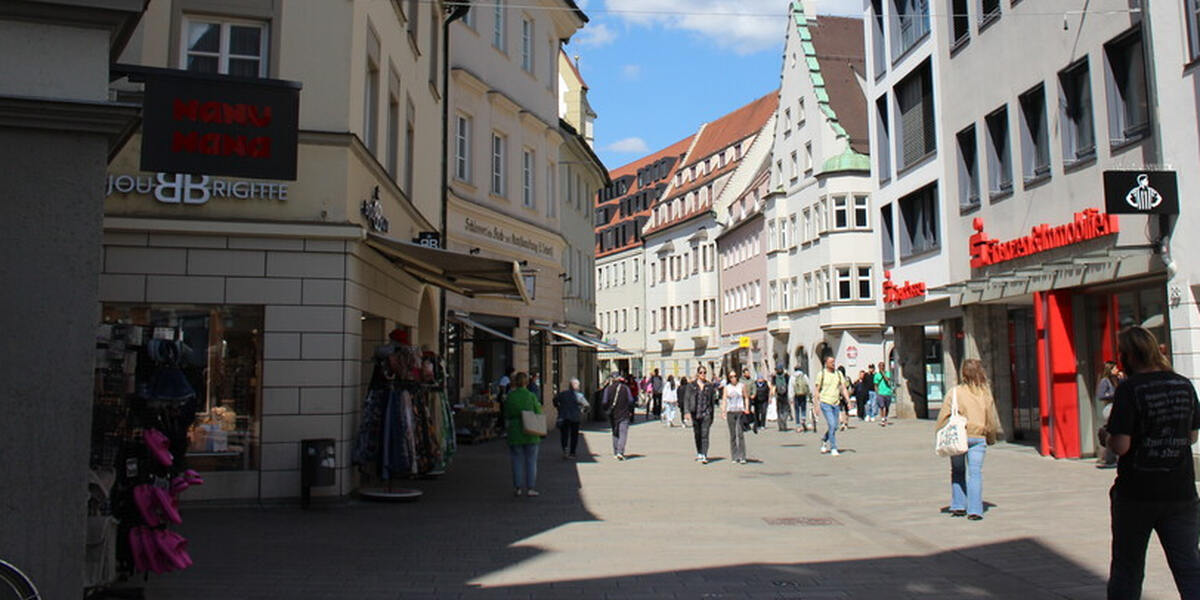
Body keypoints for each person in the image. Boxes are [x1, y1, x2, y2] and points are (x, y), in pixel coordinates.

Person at [1099, 327, 1200, 599]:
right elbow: (1192, 436)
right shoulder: (1183, 385)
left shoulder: (1130, 389)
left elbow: (1121, 445)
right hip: (1180, 491)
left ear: (1129, 355)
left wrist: (1106, 436)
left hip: (1137, 493)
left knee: (1128, 568)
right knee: (1189, 567)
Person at [935, 358, 1002, 520]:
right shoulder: (984, 393)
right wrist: (991, 436)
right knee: (975, 473)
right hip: (978, 437)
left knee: (958, 471)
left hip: (959, 436)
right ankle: (975, 510)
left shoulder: (955, 392)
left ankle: (958, 505)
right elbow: (991, 418)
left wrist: (939, 432)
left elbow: (943, 416)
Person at [504, 372, 544, 497]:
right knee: (531, 461)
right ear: (526, 382)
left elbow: (506, 413)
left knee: (516, 460)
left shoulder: (510, 396)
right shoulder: (531, 396)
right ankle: (531, 488)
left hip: (515, 430)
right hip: (530, 430)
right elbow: (538, 411)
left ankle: (518, 487)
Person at [682, 366, 719, 462]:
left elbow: (712, 401)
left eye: (705, 372)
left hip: (706, 413)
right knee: (697, 434)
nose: (703, 374)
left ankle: (705, 454)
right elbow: (686, 399)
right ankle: (699, 452)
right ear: (698, 374)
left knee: (705, 434)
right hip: (695, 413)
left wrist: (712, 416)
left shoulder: (709, 386)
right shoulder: (691, 386)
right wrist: (686, 412)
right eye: (701, 372)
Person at [814, 356, 848, 456]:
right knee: (832, 424)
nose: (833, 363)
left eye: (834, 362)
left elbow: (843, 388)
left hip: (836, 403)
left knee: (835, 426)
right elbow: (817, 390)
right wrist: (816, 405)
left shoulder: (838, 374)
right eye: (831, 362)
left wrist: (848, 400)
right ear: (826, 363)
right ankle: (833, 447)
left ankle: (824, 439)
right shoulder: (822, 374)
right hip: (825, 403)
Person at [552, 378, 589, 459]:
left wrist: (558, 407)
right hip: (575, 418)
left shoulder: (563, 394)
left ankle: (565, 449)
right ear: (575, 386)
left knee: (564, 434)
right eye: (578, 385)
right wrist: (582, 411)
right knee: (574, 435)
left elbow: (555, 400)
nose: (579, 387)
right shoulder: (579, 396)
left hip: (564, 416)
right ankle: (572, 452)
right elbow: (586, 405)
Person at [1095, 360, 1122, 468]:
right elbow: (1100, 395)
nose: (1117, 370)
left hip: (1117, 407)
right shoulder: (1105, 381)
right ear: (1110, 370)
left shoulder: (1117, 380)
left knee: (1117, 432)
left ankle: (1112, 456)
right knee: (1112, 432)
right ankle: (1108, 457)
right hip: (1110, 408)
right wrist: (1114, 394)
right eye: (1115, 368)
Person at [603, 372, 635, 460]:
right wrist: (630, 410)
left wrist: (607, 409)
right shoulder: (625, 388)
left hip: (613, 414)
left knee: (615, 432)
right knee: (623, 433)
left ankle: (616, 451)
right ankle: (620, 452)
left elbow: (604, 401)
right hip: (624, 413)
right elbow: (631, 400)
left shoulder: (608, 389)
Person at [721, 371, 751, 464]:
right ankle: (734, 456)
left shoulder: (742, 386)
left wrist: (746, 408)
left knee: (740, 434)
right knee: (733, 434)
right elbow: (724, 399)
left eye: (734, 376)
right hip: (731, 412)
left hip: (740, 412)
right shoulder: (727, 388)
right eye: (731, 377)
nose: (733, 378)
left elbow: (746, 397)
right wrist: (723, 411)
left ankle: (742, 456)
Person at [874, 362, 894, 426]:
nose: (881, 367)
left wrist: (883, 374)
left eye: (882, 366)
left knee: (887, 407)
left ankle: (885, 417)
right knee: (882, 406)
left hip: (888, 392)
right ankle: (882, 419)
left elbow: (887, 380)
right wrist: (877, 392)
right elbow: (875, 384)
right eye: (880, 366)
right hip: (880, 393)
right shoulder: (876, 375)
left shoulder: (888, 373)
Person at [792, 365, 811, 432]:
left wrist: (790, 397)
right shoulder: (804, 376)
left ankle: (798, 425)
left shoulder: (793, 377)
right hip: (803, 394)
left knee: (797, 410)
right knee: (803, 408)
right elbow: (808, 384)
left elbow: (791, 387)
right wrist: (810, 394)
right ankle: (803, 419)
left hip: (796, 395)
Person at [772, 366, 791, 431]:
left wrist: (771, 395)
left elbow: (773, 386)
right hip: (785, 395)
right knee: (785, 409)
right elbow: (790, 385)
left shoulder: (774, 377)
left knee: (779, 410)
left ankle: (780, 425)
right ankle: (784, 422)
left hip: (778, 395)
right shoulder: (786, 376)